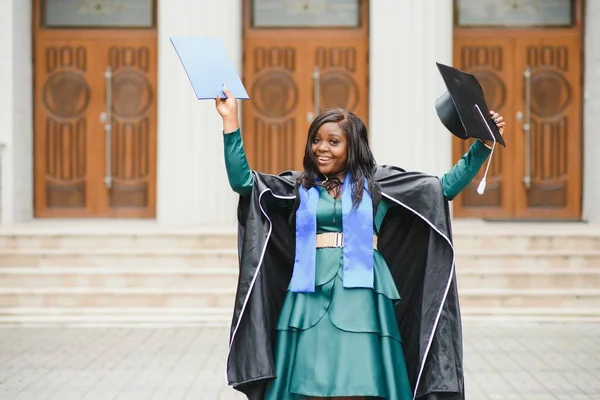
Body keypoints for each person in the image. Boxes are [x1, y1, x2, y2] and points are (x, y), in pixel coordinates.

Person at [218, 87, 505, 400]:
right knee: (305, 384)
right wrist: (230, 120)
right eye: (316, 140)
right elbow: (243, 182)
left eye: (333, 142)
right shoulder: (300, 185)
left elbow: (443, 188)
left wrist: (483, 145)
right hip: (308, 294)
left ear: (353, 146)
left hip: (362, 294)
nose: (321, 148)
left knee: (360, 382)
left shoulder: (378, 183)